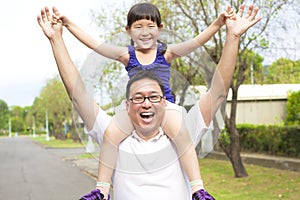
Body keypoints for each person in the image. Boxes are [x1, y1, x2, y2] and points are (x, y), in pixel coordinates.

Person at [37, 3, 261, 200]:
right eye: (139, 97)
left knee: (180, 133)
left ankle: (198, 190)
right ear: (127, 103)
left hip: (171, 113)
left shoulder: (180, 115)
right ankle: (101, 190)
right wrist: (62, 32)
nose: (146, 103)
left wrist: (227, 32)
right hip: (130, 117)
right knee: (110, 135)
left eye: (153, 96)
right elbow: (84, 78)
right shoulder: (126, 64)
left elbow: (215, 86)